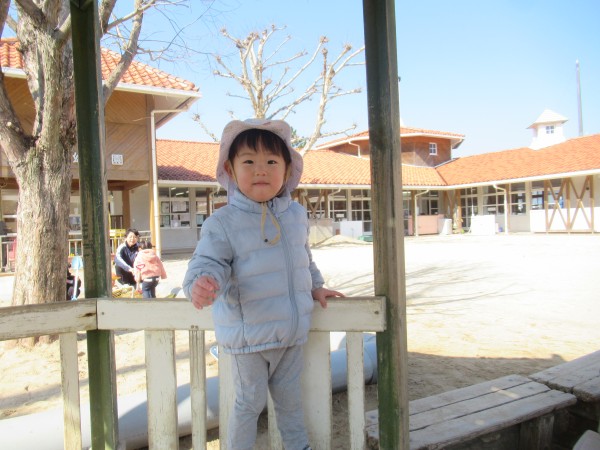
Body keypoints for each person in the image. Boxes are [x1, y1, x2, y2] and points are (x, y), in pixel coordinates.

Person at [183, 118, 344, 450]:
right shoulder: (223, 222)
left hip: (290, 332)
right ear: (230, 169)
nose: (261, 170)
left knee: (291, 402)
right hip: (249, 337)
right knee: (248, 403)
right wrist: (201, 283)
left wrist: (316, 286)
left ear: (287, 170)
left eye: (271, 162)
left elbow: (303, 258)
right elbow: (208, 263)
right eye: (249, 162)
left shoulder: (295, 215)